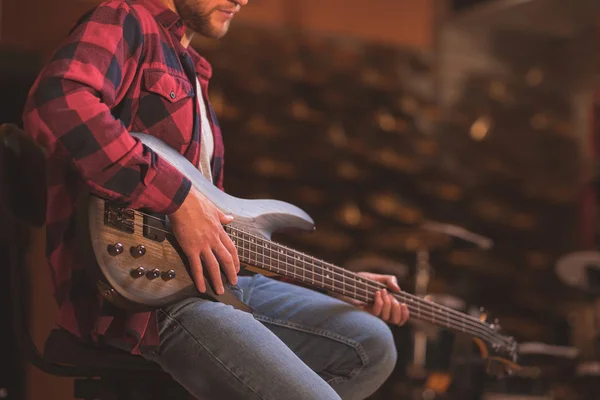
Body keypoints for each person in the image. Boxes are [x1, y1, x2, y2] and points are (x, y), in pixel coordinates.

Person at [22, 0, 410, 399]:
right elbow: (58, 102)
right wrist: (178, 200)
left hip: (215, 282)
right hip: (150, 300)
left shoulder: (191, 67)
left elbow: (214, 228)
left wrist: (332, 286)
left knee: (372, 343)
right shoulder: (126, 17)